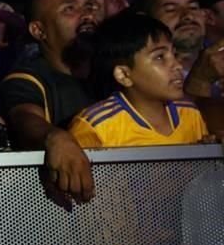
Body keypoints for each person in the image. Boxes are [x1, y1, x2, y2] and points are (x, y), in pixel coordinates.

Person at [0, 0, 99, 206]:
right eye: (69, 9)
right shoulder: (27, 78)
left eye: (88, 7)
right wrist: (55, 137)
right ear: (39, 30)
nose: (86, 15)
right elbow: (24, 117)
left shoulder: (112, 73)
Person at [69, 12, 209, 147]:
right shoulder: (96, 127)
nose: (178, 66)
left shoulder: (190, 114)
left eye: (174, 54)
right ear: (124, 75)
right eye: (159, 57)